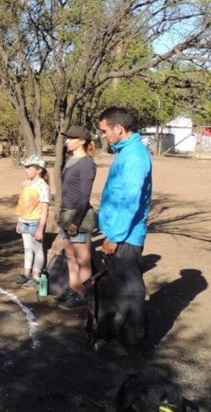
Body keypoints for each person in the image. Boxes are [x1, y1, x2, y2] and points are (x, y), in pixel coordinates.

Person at [95, 106, 152, 346]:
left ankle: (132, 340)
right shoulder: (126, 152)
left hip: (125, 237)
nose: (103, 135)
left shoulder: (135, 157)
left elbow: (130, 200)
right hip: (118, 233)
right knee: (116, 287)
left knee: (130, 290)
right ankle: (111, 330)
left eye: (104, 130)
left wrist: (114, 237)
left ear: (118, 128)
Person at [56, 126, 97, 309]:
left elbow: (84, 197)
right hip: (65, 215)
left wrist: (76, 222)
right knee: (71, 257)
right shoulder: (71, 159)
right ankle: (74, 290)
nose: (67, 141)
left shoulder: (87, 163)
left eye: (71, 138)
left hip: (77, 217)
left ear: (81, 140)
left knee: (83, 260)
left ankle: (84, 294)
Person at [14, 155, 50, 289]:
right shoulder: (26, 184)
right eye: (26, 168)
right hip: (24, 220)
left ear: (39, 170)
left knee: (37, 249)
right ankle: (26, 273)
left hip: (35, 222)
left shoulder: (43, 186)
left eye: (29, 168)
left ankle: (36, 276)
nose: (26, 170)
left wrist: (41, 228)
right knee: (27, 248)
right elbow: (22, 204)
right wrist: (19, 221)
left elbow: (45, 210)